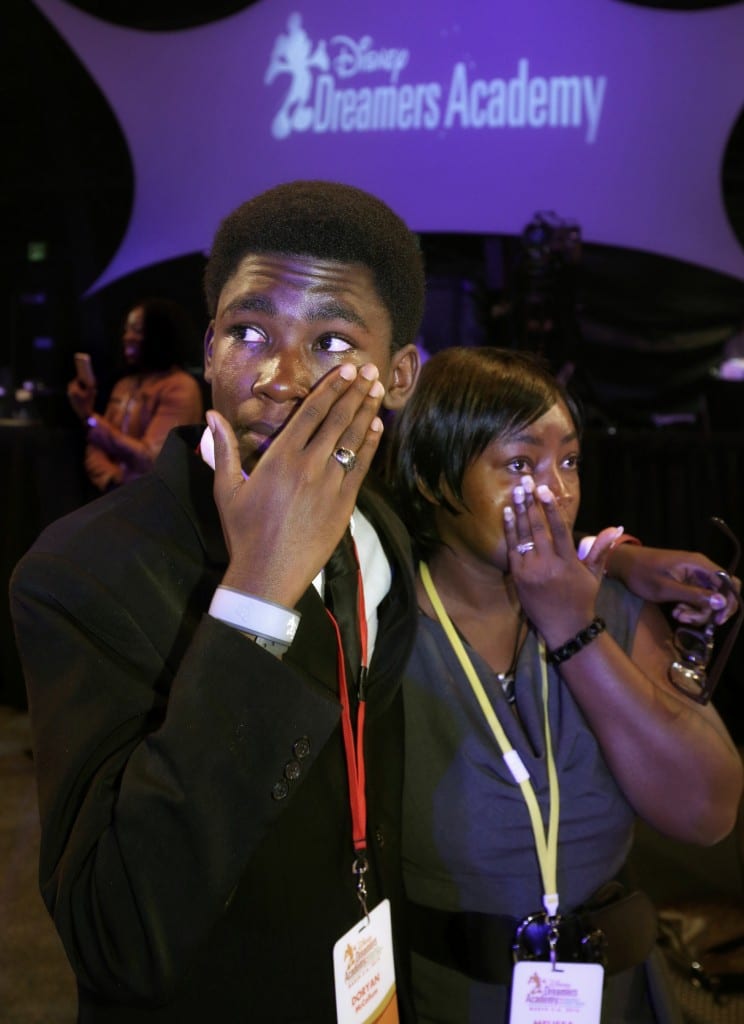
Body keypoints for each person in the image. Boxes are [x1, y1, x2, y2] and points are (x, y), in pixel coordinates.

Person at [9, 181, 740, 1023]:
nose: (280, 379)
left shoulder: (381, 538)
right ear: (208, 349)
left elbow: (482, 558)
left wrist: (622, 565)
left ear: (398, 377)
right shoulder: (84, 572)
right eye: (248, 332)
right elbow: (116, 940)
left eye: (329, 341)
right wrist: (258, 595)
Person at [386, 346, 743, 1024]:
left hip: (610, 994)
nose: (557, 492)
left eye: (569, 461)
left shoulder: (608, 605)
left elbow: (708, 812)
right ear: (435, 478)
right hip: (449, 995)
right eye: (520, 465)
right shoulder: (386, 618)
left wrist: (575, 628)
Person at [67, 297, 204, 492]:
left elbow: (151, 460)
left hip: (153, 503)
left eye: (137, 330)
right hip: (112, 497)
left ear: (159, 335)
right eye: (126, 330)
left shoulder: (181, 387)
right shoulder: (124, 385)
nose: (127, 337)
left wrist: (91, 418)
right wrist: (111, 480)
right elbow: (95, 449)